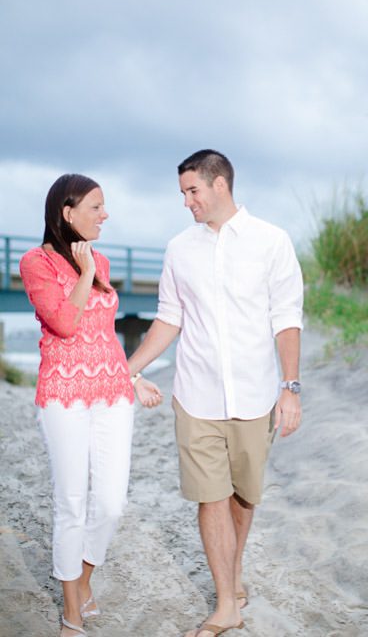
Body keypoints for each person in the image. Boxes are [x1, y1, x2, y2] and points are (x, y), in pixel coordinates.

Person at [125, 150, 304, 637]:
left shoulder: (272, 242)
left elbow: (286, 319)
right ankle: (227, 602)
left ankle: (233, 573)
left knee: (244, 497)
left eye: (193, 191)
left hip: (255, 395)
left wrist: (290, 388)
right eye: (183, 193)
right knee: (210, 499)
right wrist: (127, 368)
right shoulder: (179, 249)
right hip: (196, 394)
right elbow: (169, 319)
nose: (187, 202)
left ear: (219, 184)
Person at [19, 174, 161, 637]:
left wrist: (132, 376)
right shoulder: (35, 262)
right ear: (68, 211)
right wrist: (83, 276)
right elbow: (63, 322)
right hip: (62, 395)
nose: (105, 215)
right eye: (96, 207)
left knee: (112, 503)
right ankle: (71, 610)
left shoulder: (99, 257)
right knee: (71, 502)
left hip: (111, 395)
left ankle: (82, 579)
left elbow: (105, 334)